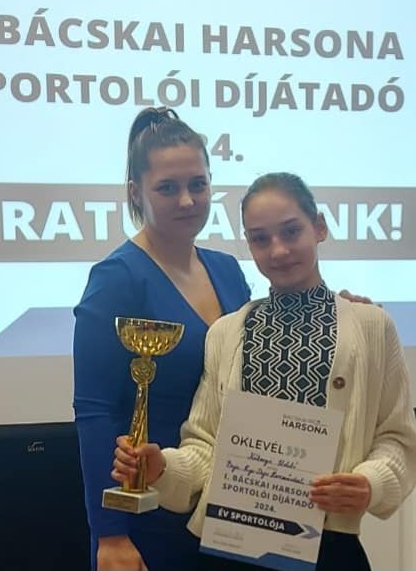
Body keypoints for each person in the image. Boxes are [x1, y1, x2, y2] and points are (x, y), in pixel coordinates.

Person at [112, 172, 416, 571]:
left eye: (291, 231)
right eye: (260, 238)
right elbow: (205, 447)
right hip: (229, 548)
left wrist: (370, 483)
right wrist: (164, 469)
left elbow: (396, 436)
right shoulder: (226, 333)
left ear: (319, 227)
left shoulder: (371, 326)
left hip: (328, 550)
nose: (278, 250)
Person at [73, 106, 252, 571]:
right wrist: (110, 534)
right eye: (167, 188)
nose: (187, 200)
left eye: (198, 184)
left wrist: (339, 308)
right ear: (136, 192)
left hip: (229, 505)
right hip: (147, 513)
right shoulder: (116, 278)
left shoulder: (228, 270)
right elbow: (94, 410)